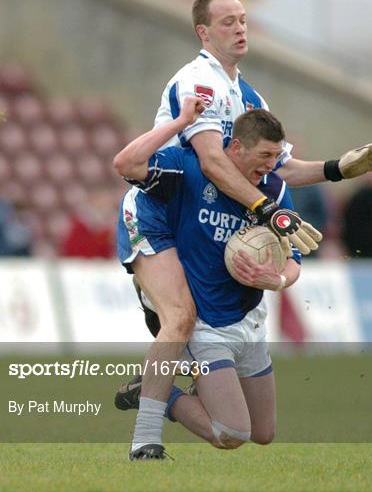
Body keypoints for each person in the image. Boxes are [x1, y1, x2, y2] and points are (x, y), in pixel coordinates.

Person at [115, 0, 372, 458]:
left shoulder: (249, 95)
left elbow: (273, 166)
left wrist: (336, 169)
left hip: (203, 211)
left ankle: (168, 385)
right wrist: (267, 211)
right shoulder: (197, 80)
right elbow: (214, 162)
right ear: (203, 32)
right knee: (180, 317)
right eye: (228, 22)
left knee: (249, 414)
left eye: (243, 19)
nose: (240, 28)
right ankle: (146, 438)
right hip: (159, 205)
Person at [115, 100, 301, 459]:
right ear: (234, 147)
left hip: (250, 321)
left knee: (263, 433)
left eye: (276, 156)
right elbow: (126, 163)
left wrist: (276, 279)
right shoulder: (192, 170)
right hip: (208, 327)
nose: (270, 165)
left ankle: (150, 385)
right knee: (231, 432)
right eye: (264, 155)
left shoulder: (275, 192)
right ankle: (157, 401)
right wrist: (182, 122)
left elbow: (294, 260)